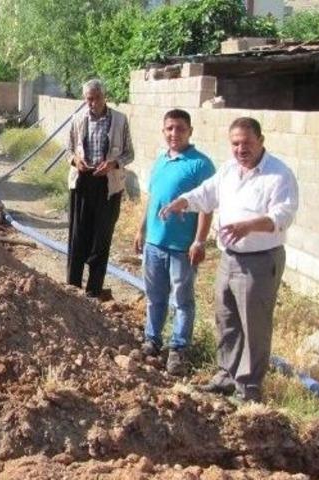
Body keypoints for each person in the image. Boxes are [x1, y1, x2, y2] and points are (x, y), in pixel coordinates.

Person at [159, 117, 299, 402]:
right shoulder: (228, 171)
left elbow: (283, 215)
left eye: (246, 143)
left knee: (254, 325)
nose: (240, 149)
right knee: (226, 319)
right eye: (235, 143)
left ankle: (248, 388)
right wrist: (181, 202)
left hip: (259, 261)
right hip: (229, 257)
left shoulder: (279, 174)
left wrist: (249, 225)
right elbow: (205, 194)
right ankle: (225, 375)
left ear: (261, 140)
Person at [134, 109, 215, 376]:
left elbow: (207, 206)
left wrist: (199, 241)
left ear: (190, 131)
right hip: (155, 244)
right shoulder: (160, 162)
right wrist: (142, 230)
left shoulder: (200, 165)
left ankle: (178, 349)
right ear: (163, 131)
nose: (174, 134)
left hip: (182, 248)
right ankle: (152, 340)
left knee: (182, 300)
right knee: (155, 297)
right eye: (169, 128)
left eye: (180, 128)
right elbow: (152, 199)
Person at [66, 79, 134, 298]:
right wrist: (75, 161)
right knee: (78, 237)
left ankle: (94, 291)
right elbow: (68, 150)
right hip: (82, 183)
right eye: (88, 99)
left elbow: (129, 153)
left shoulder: (120, 120)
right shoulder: (77, 119)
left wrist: (113, 164)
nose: (91, 103)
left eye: (95, 98)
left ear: (105, 96)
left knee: (101, 237)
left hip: (108, 186)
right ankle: (72, 288)